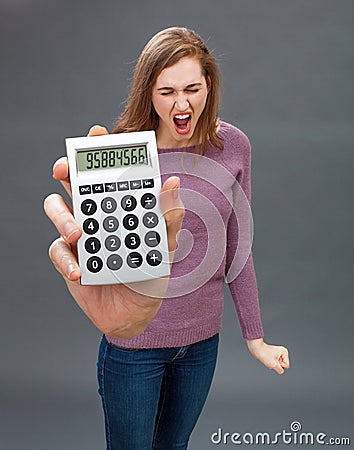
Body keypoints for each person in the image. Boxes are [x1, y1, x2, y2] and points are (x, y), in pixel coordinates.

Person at [44, 27, 290, 450]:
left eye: (192, 88)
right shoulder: (120, 153)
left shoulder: (233, 146)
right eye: (166, 92)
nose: (182, 104)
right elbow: (109, 252)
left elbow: (239, 246)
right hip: (133, 347)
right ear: (148, 94)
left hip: (201, 346)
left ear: (208, 85)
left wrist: (256, 338)